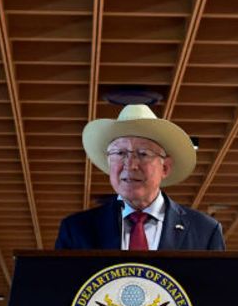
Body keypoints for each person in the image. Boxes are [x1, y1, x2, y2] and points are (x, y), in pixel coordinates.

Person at [54, 104, 224, 250]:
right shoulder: (76, 230)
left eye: (143, 154)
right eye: (120, 153)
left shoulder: (205, 231)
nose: (130, 164)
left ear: (165, 167)